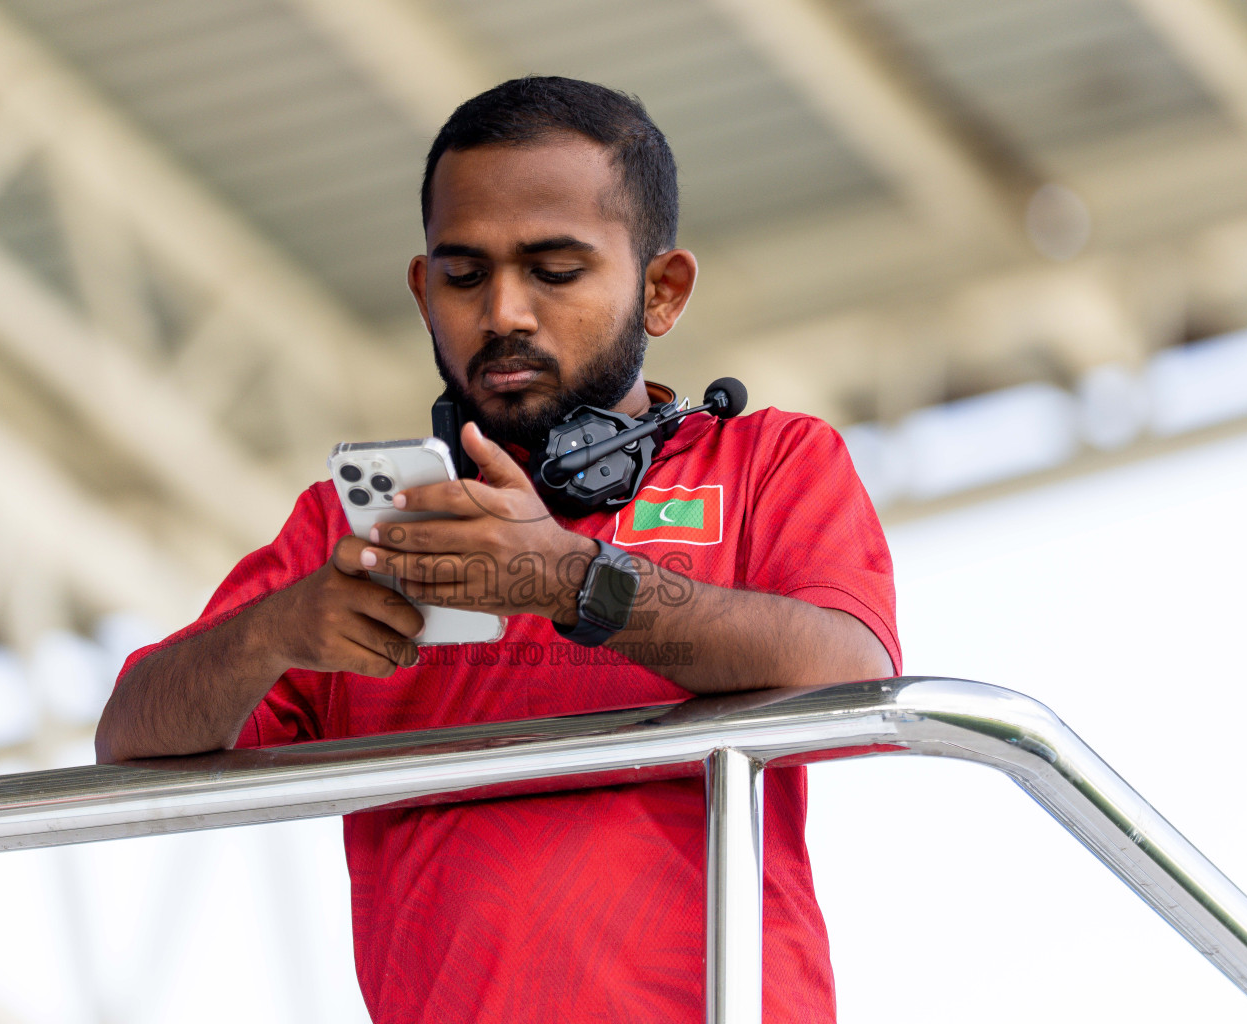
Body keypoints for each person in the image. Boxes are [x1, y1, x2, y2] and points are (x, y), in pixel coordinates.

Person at [97, 76, 900, 1023]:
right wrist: (276, 630)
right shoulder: (349, 527)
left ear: (662, 291)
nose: (505, 312)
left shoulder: (771, 460)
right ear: (421, 287)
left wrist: (572, 581)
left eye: (555, 271)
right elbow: (129, 743)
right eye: (464, 274)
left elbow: (857, 685)